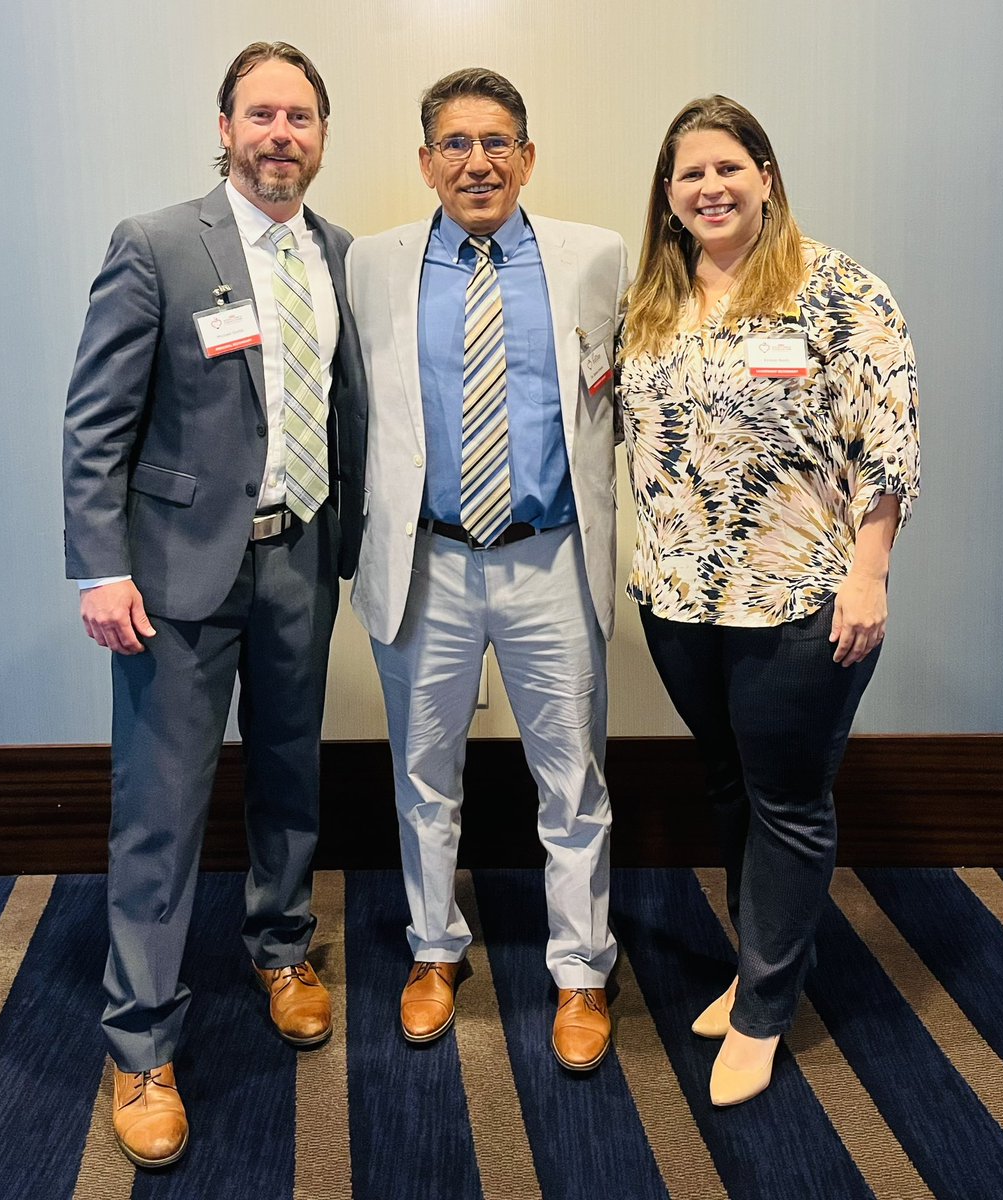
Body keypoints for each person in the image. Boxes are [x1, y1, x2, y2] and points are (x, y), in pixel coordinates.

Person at [62, 42, 366, 1167]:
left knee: (291, 774)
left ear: (321, 135)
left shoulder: (338, 255)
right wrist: (101, 565)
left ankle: (281, 947)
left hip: (298, 561)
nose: (280, 133)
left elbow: (348, 414)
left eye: (299, 116)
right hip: (175, 577)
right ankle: (139, 1043)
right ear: (226, 126)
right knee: (161, 809)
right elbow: (95, 418)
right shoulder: (154, 246)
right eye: (261, 114)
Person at [618, 95, 919, 1106]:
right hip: (679, 600)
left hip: (797, 600)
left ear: (764, 175)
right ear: (666, 196)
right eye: (687, 174)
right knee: (726, 786)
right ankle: (770, 963)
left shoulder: (834, 290)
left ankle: (762, 1011)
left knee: (786, 802)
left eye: (725, 167)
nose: (708, 187)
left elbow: (887, 443)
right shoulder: (651, 304)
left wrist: (867, 573)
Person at [347, 68, 627, 1070]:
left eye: (497, 140)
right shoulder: (369, 265)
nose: (478, 160)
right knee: (424, 774)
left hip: (549, 556)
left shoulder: (595, 258)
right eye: (455, 144)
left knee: (571, 776)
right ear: (425, 162)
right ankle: (432, 950)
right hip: (428, 562)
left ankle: (581, 971)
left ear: (527, 155)